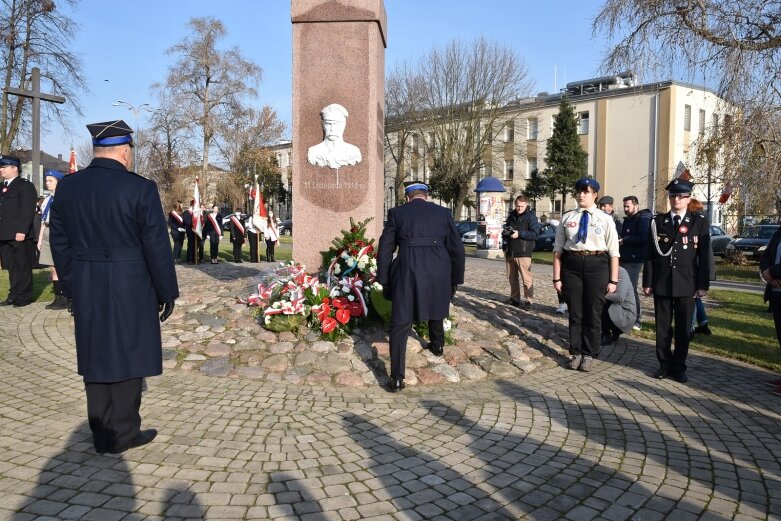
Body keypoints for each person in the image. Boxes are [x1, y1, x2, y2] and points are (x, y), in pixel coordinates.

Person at [50, 119, 178, 454]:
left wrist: (71, 281)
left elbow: (59, 241)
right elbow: (156, 245)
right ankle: (123, 432)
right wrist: (167, 291)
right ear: (124, 151)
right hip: (130, 282)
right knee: (128, 351)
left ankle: (101, 432)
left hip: (87, 279)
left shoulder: (69, 187)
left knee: (95, 353)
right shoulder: (140, 188)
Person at [377, 181, 465, 392]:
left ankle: (397, 376)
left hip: (408, 269)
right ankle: (437, 345)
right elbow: (457, 249)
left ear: (408, 197)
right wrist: (455, 279)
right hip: (438, 269)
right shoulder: (443, 213)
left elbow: (386, 247)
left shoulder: (397, 213)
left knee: (401, 321)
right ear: (426, 195)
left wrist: (384, 277)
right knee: (436, 304)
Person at [643, 177, 710, 383]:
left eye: (681, 196)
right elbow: (650, 255)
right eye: (673, 196)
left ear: (688, 198)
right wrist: (647, 281)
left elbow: (704, 257)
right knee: (663, 327)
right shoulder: (658, 222)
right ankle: (664, 364)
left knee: (683, 329)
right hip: (662, 282)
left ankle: (679, 366)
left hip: (687, 283)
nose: (676, 200)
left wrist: (702, 285)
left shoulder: (698, 221)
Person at [552, 177, 620, 372]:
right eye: (579, 191)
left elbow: (614, 252)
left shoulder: (605, 219)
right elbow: (558, 250)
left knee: (593, 312)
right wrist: (557, 277)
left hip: (597, 265)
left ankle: (589, 353)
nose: (582, 195)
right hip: (572, 265)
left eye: (586, 191)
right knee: (575, 312)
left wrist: (613, 280)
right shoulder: (568, 218)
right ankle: (576, 352)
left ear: (595, 195)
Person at [0, 154, 37, 307]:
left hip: (19, 234)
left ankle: (25, 295)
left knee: (23, 265)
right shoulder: (2, 187)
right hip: (4, 234)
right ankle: (14, 294)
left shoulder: (25, 185)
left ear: (14, 168)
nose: (1, 170)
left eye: (4, 167)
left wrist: (22, 230)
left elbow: (27, 210)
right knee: (11, 266)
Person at [619, 195, 652, 330]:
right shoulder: (628, 219)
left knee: (631, 289)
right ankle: (624, 316)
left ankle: (637, 319)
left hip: (635, 259)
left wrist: (625, 240)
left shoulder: (643, 219)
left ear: (636, 206)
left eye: (628, 206)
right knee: (621, 289)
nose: (626, 209)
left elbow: (643, 238)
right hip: (624, 257)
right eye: (624, 206)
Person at [37, 169, 69, 310]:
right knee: (52, 266)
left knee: (61, 265)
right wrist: (40, 238)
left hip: (60, 231)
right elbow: (43, 220)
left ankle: (66, 296)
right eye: (46, 180)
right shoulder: (48, 199)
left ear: (59, 182)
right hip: (48, 231)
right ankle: (58, 297)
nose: (47, 183)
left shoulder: (64, 198)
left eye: (50, 181)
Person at [503, 195, 540, 309]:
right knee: (512, 278)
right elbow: (506, 228)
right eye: (518, 206)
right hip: (510, 250)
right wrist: (505, 233)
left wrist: (519, 233)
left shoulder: (531, 217)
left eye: (522, 206)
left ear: (526, 205)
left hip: (523, 251)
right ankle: (515, 298)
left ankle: (529, 301)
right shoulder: (511, 215)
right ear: (515, 204)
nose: (519, 208)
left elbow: (535, 234)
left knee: (526, 279)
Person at [688, 198, 715, 335]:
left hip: (696, 265)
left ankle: (691, 327)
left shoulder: (696, 221)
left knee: (691, 298)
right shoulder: (703, 219)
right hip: (701, 265)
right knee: (696, 298)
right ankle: (703, 324)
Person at [759, 225, 781, 396]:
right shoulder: (779, 231)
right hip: (776, 293)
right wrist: (767, 273)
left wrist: (772, 272)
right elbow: (766, 255)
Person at [307, 103, 362, 169]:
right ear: (323, 125)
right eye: (328, 124)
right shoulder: (313, 152)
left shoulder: (353, 152)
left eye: (337, 124)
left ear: (344, 125)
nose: (332, 129)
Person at [600, 265, 638, 346]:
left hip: (625, 312)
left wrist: (601, 294)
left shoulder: (621, 272)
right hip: (615, 308)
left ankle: (606, 335)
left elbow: (619, 298)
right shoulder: (602, 270)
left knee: (601, 301)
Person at [182, 200, 196, 264]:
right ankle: (189, 259)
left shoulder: (195, 212)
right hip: (189, 231)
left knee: (195, 245)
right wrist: (193, 223)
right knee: (190, 245)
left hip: (195, 231)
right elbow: (185, 221)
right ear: (192, 205)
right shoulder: (186, 212)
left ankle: (194, 258)